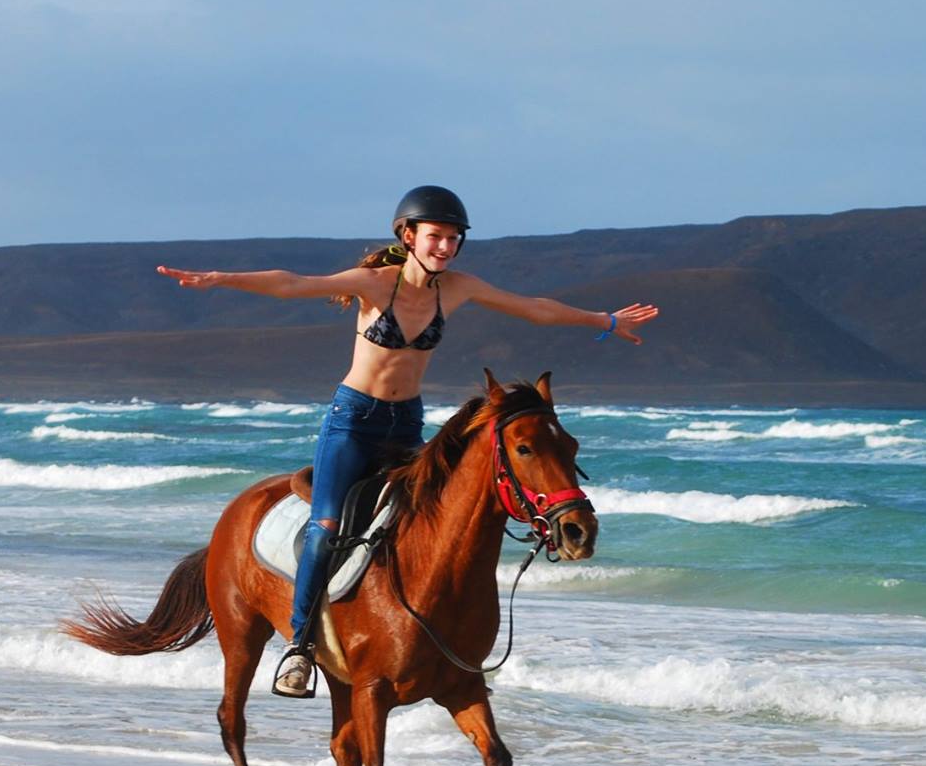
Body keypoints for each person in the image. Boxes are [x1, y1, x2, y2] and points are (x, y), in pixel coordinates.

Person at [157, 186, 658, 698]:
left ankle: (416, 629)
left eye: (453, 239)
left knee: (426, 522)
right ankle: (301, 647)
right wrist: (220, 279)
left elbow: (533, 308)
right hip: (353, 422)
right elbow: (293, 284)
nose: (445, 246)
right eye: (436, 236)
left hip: (406, 424)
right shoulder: (375, 284)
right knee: (327, 526)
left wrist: (605, 320)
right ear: (409, 235)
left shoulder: (457, 288)